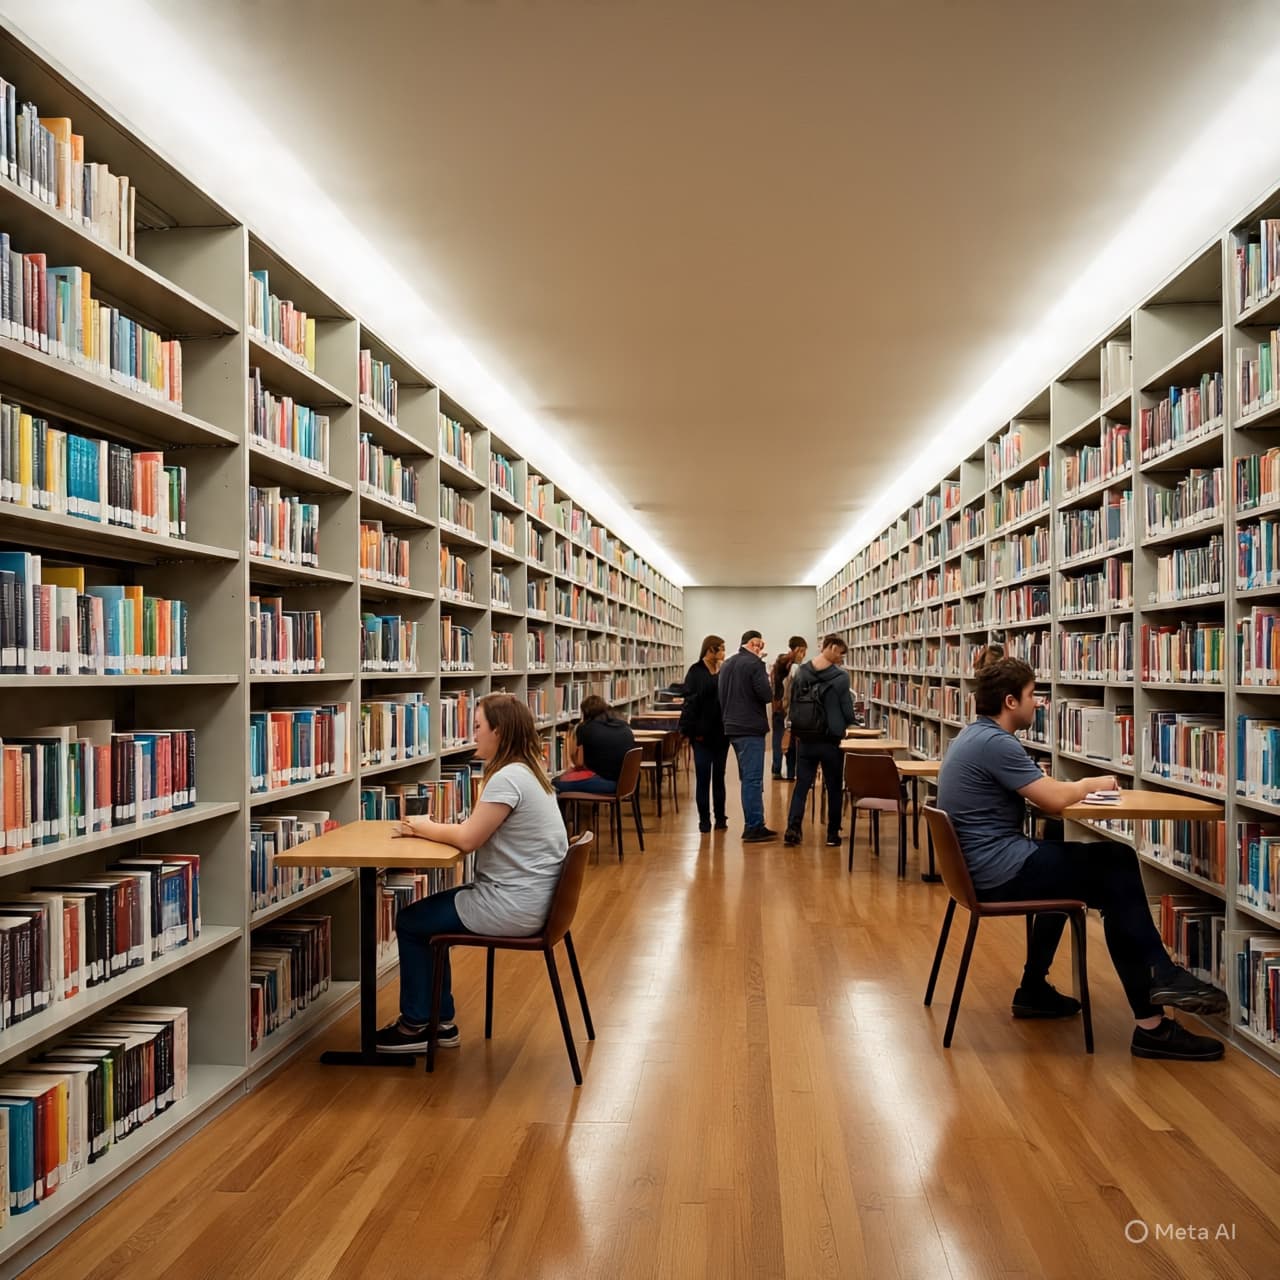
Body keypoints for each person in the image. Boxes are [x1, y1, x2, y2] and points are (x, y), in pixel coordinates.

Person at [935, 657, 1227, 1061]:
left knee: (1077, 857)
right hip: (998, 872)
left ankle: (1034, 989)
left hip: (978, 870)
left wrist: (1058, 789)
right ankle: (1155, 1009)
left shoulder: (972, 736)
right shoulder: (995, 742)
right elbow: (1053, 798)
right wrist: (1092, 782)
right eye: (1031, 695)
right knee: (1116, 864)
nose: (1037, 704)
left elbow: (1045, 803)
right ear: (1009, 701)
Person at [377, 693, 569, 1053]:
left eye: (478, 726)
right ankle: (439, 1021)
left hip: (512, 905)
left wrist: (422, 826)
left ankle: (419, 1024)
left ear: (498, 731)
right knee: (428, 916)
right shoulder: (530, 773)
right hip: (537, 901)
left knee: (411, 921)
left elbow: (467, 839)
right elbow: (474, 829)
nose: (472, 734)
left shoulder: (507, 779)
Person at [783, 636, 858, 848]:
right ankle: (832, 833)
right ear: (831, 648)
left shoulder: (802, 672)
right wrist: (851, 722)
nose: (841, 658)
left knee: (802, 785)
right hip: (830, 740)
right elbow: (846, 709)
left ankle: (793, 827)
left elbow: (793, 703)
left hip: (806, 738)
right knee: (834, 786)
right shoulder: (841, 677)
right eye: (840, 653)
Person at [718, 629, 776, 842]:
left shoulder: (727, 664)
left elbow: (721, 695)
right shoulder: (754, 664)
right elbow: (766, 695)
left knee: (747, 778)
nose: (760, 648)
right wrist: (762, 666)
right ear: (751, 643)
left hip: (732, 726)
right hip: (750, 727)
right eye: (758, 644)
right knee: (752, 779)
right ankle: (753, 826)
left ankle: (755, 822)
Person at [680, 634, 729, 834]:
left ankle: (720, 817)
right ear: (711, 650)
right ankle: (704, 820)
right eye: (722, 648)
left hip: (721, 734)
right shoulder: (695, 671)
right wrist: (692, 732)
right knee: (703, 778)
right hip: (701, 735)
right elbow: (690, 703)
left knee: (719, 777)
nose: (725, 652)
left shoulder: (723, 671)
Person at [552, 694, 637, 796]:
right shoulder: (624, 726)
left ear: (585, 713)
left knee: (554, 784)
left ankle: (569, 812)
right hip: (627, 783)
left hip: (606, 782)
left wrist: (572, 746)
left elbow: (579, 763)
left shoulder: (585, 728)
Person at [770, 636, 807, 780]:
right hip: (788, 708)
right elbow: (795, 689)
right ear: (799, 650)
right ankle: (791, 773)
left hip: (777, 706)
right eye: (803, 652)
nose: (803, 656)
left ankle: (776, 769)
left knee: (777, 738)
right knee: (790, 741)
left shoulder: (780, 662)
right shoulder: (794, 667)